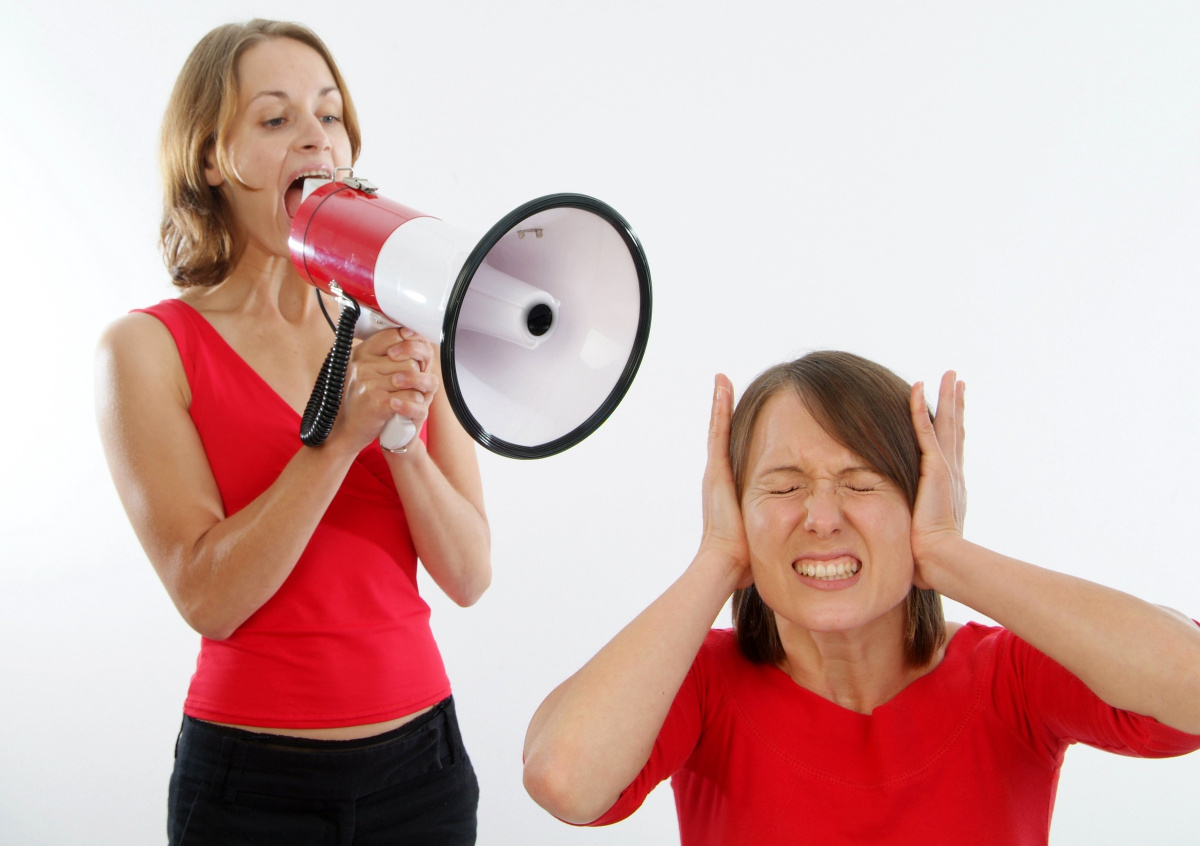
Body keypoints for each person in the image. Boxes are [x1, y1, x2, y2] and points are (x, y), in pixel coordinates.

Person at [522, 350, 1200, 845]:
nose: (821, 517)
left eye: (862, 482)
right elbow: (562, 779)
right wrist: (717, 558)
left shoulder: (1008, 678)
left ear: (921, 499)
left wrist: (948, 554)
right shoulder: (699, 684)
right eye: (783, 486)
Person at [94, 19, 489, 845]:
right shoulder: (146, 349)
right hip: (252, 785)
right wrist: (339, 439)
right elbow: (208, 598)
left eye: (330, 115)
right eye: (275, 119)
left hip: (422, 774)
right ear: (211, 158)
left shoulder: (399, 323)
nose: (316, 138)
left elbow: (468, 574)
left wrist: (401, 441)